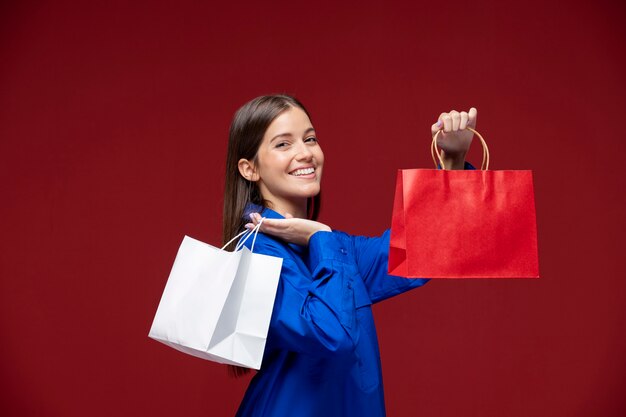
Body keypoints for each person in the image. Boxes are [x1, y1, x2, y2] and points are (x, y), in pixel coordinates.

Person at [222, 95, 477, 417]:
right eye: (283, 145)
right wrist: (321, 238)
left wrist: (452, 161)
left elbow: (425, 249)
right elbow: (330, 335)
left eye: (310, 139)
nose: (305, 153)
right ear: (250, 169)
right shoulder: (258, 253)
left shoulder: (331, 250)